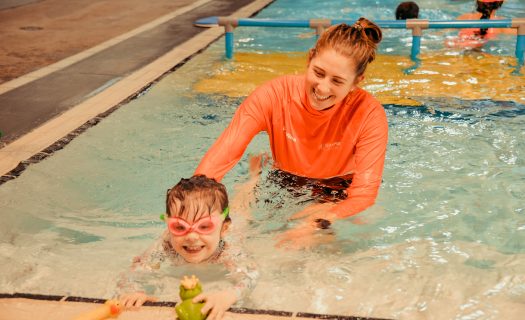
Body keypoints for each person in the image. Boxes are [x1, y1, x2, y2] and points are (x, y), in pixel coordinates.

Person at [195, 17, 388, 248]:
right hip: (284, 178)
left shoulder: (369, 114)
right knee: (236, 225)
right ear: (309, 59)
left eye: (337, 81)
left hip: (338, 186)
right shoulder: (274, 95)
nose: (323, 88)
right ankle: (255, 176)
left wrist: (318, 223)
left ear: (357, 81)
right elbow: (223, 154)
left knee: (322, 245)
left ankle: (260, 174)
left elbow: (363, 194)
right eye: (318, 73)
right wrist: (195, 199)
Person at [117, 175, 257, 320]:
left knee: (242, 207)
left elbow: (251, 276)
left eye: (204, 226)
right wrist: (133, 291)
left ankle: (253, 177)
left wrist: (228, 296)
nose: (191, 237)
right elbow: (134, 271)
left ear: (223, 228)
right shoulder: (166, 245)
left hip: (237, 227)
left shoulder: (228, 249)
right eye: (179, 226)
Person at [448, 0, 516, 48]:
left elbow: (444, 31)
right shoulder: (503, 24)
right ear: (502, 2)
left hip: (456, 47)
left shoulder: (463, 18)